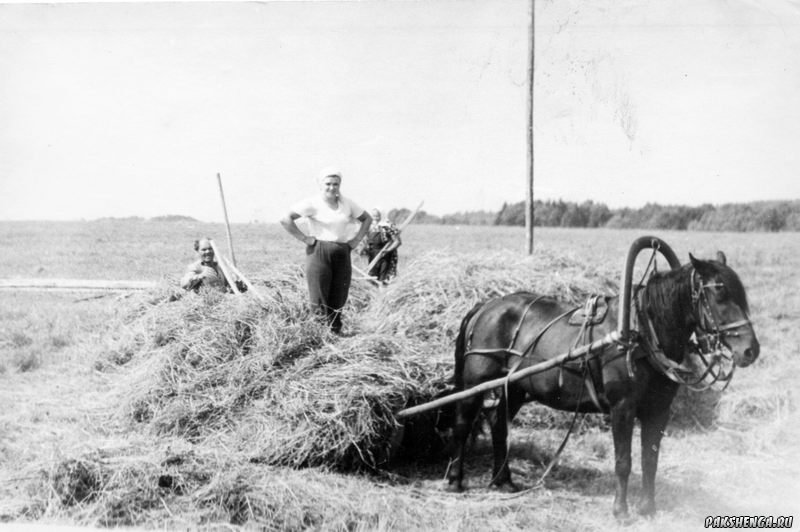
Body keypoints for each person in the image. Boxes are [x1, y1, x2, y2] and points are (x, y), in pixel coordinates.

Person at [280, 167, 372, 334]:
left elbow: (367, 219)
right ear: (320, 184)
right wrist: (305, 239)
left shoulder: (347, 204)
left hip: (343, 251)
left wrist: (356, 240)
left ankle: (336, 332)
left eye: (335, 184)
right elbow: (285, 219)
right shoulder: (312, 203)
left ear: (340, 185)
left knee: (339, 293)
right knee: (319, 294)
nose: (332, 187)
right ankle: (319, 334)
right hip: (319, 251)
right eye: (328, 184)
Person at [180, 237, 246, 293]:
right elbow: (184, 284)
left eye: (210, 248)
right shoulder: (195, 267)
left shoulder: (219, 267)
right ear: (198, 251)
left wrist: (237, 286)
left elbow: (226, 286)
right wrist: (200, 276)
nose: (208, 251)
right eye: (204, 249)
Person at [363, 208, 401, 284]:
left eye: (378, 216)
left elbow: (397, 241)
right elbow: (366, 240)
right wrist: (365, 249)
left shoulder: (388, 226)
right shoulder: (370, 226)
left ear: (382, 215)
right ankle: (374, 295)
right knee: (372, 278)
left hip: (385, 255)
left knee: (383, 279)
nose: (376, 218)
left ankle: (383, 293)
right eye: (374, 216)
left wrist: (388, 250)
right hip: (372, 255)